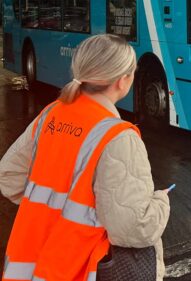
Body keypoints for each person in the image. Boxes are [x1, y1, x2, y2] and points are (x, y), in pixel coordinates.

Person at [0, 34, 171, 280]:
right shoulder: (119, 136)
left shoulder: (52, 113)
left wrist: (54, 213)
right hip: (75, 267)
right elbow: (133, 228)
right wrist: (160, 202)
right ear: (123, 81)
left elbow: (10, 177)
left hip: (28, 263)